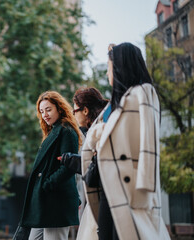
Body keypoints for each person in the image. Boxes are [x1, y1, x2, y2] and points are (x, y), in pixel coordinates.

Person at [80, 42, 170, 239]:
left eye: (109, 67)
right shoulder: (115, 103)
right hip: (107, 184)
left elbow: (150, 144)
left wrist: (145, 189)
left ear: (120, 65)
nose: (107, 73)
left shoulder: (143, 92)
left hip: (128, 186)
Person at [19, 91, 82, 240]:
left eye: (48, 109)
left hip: (56, 201)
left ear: (59, 108)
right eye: (42, 111)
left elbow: (68, 166)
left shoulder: (66, 131)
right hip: (45, 202)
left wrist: (47, 184)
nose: (45, 114)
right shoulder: (54, 131)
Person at [60, 87, 108, 240]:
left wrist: (73, 161)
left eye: (75, 111)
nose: (73, 115)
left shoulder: (100, 128)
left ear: (85, 110)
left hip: (104, 199)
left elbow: (99, 165)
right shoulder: (95, 127)